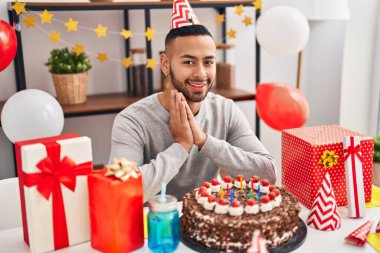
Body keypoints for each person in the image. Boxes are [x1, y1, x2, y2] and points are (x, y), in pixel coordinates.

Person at [109, 0, 276, 202]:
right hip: (153, 227)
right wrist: (181, 146)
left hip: (208, 222)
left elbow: (268, 173)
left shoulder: (225, 110)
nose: (200, 73)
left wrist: (204, 141)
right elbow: (121, 192)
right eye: (188, 62)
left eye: (208, 62)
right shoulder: (131, 120)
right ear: (165, 64)